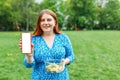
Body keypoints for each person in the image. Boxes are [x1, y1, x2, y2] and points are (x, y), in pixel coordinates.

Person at [19, 9, 75, 80]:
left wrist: (65, 62)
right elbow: (28, 65)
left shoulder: (63, 38)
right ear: (39, 23)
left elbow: (71, 56)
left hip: (61, 77)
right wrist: (29, 56)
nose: (45, 22)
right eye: (42, 20)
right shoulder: (34, 39)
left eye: (49, 20)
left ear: (55, 22)